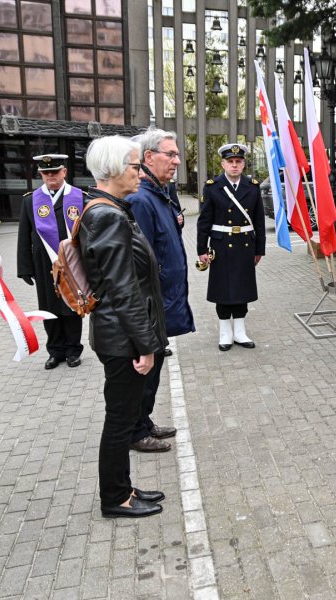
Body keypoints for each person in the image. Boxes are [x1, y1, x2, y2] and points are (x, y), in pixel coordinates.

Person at [79, 135, 167, 518]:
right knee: (120, 421)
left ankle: (123, 488)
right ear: (114, 170)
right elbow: (123, 289)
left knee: (123, 416)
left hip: (119, 334)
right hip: (122, 338)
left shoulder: (107, 209)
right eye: (135, 166)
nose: (140, 172)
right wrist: (145, 346)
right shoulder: (107, 216)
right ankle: (115, 498)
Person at [126, 128, 195, 453]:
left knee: (154, 370)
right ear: (149, 157)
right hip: (151, 306)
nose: (177, 161)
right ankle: (136, 430)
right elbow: (139, 265)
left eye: (177, 154)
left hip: (163, 303)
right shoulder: (141, 200)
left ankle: (145, 420)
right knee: (143, 370)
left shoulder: (159, 194)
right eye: (171, 154)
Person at [17, 154, 85, 370]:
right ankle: (55, 351)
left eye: (54, 172)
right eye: (46, 173)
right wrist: (25, 268)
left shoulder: (79, 197)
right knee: (49, 309)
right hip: (44, 265)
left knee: (72, 306)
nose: (50, 176)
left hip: (72, 264)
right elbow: (24, 236)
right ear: (40, 174)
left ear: (64, 172)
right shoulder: (31, 201)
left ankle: (73, 350)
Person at [197, 143, 265, 351]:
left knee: (242, 289)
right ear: (223, 163)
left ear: (244, 164)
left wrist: (259, 249)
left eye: (238, 162)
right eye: (230, 162)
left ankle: (240, 332)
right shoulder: (212, 186)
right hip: (221, 246)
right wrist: (201, 249)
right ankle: (225, 333)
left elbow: (259, 220)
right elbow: (204, 221)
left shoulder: (252, 187)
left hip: (245, 246)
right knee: (223, 290)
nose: (234, 165)